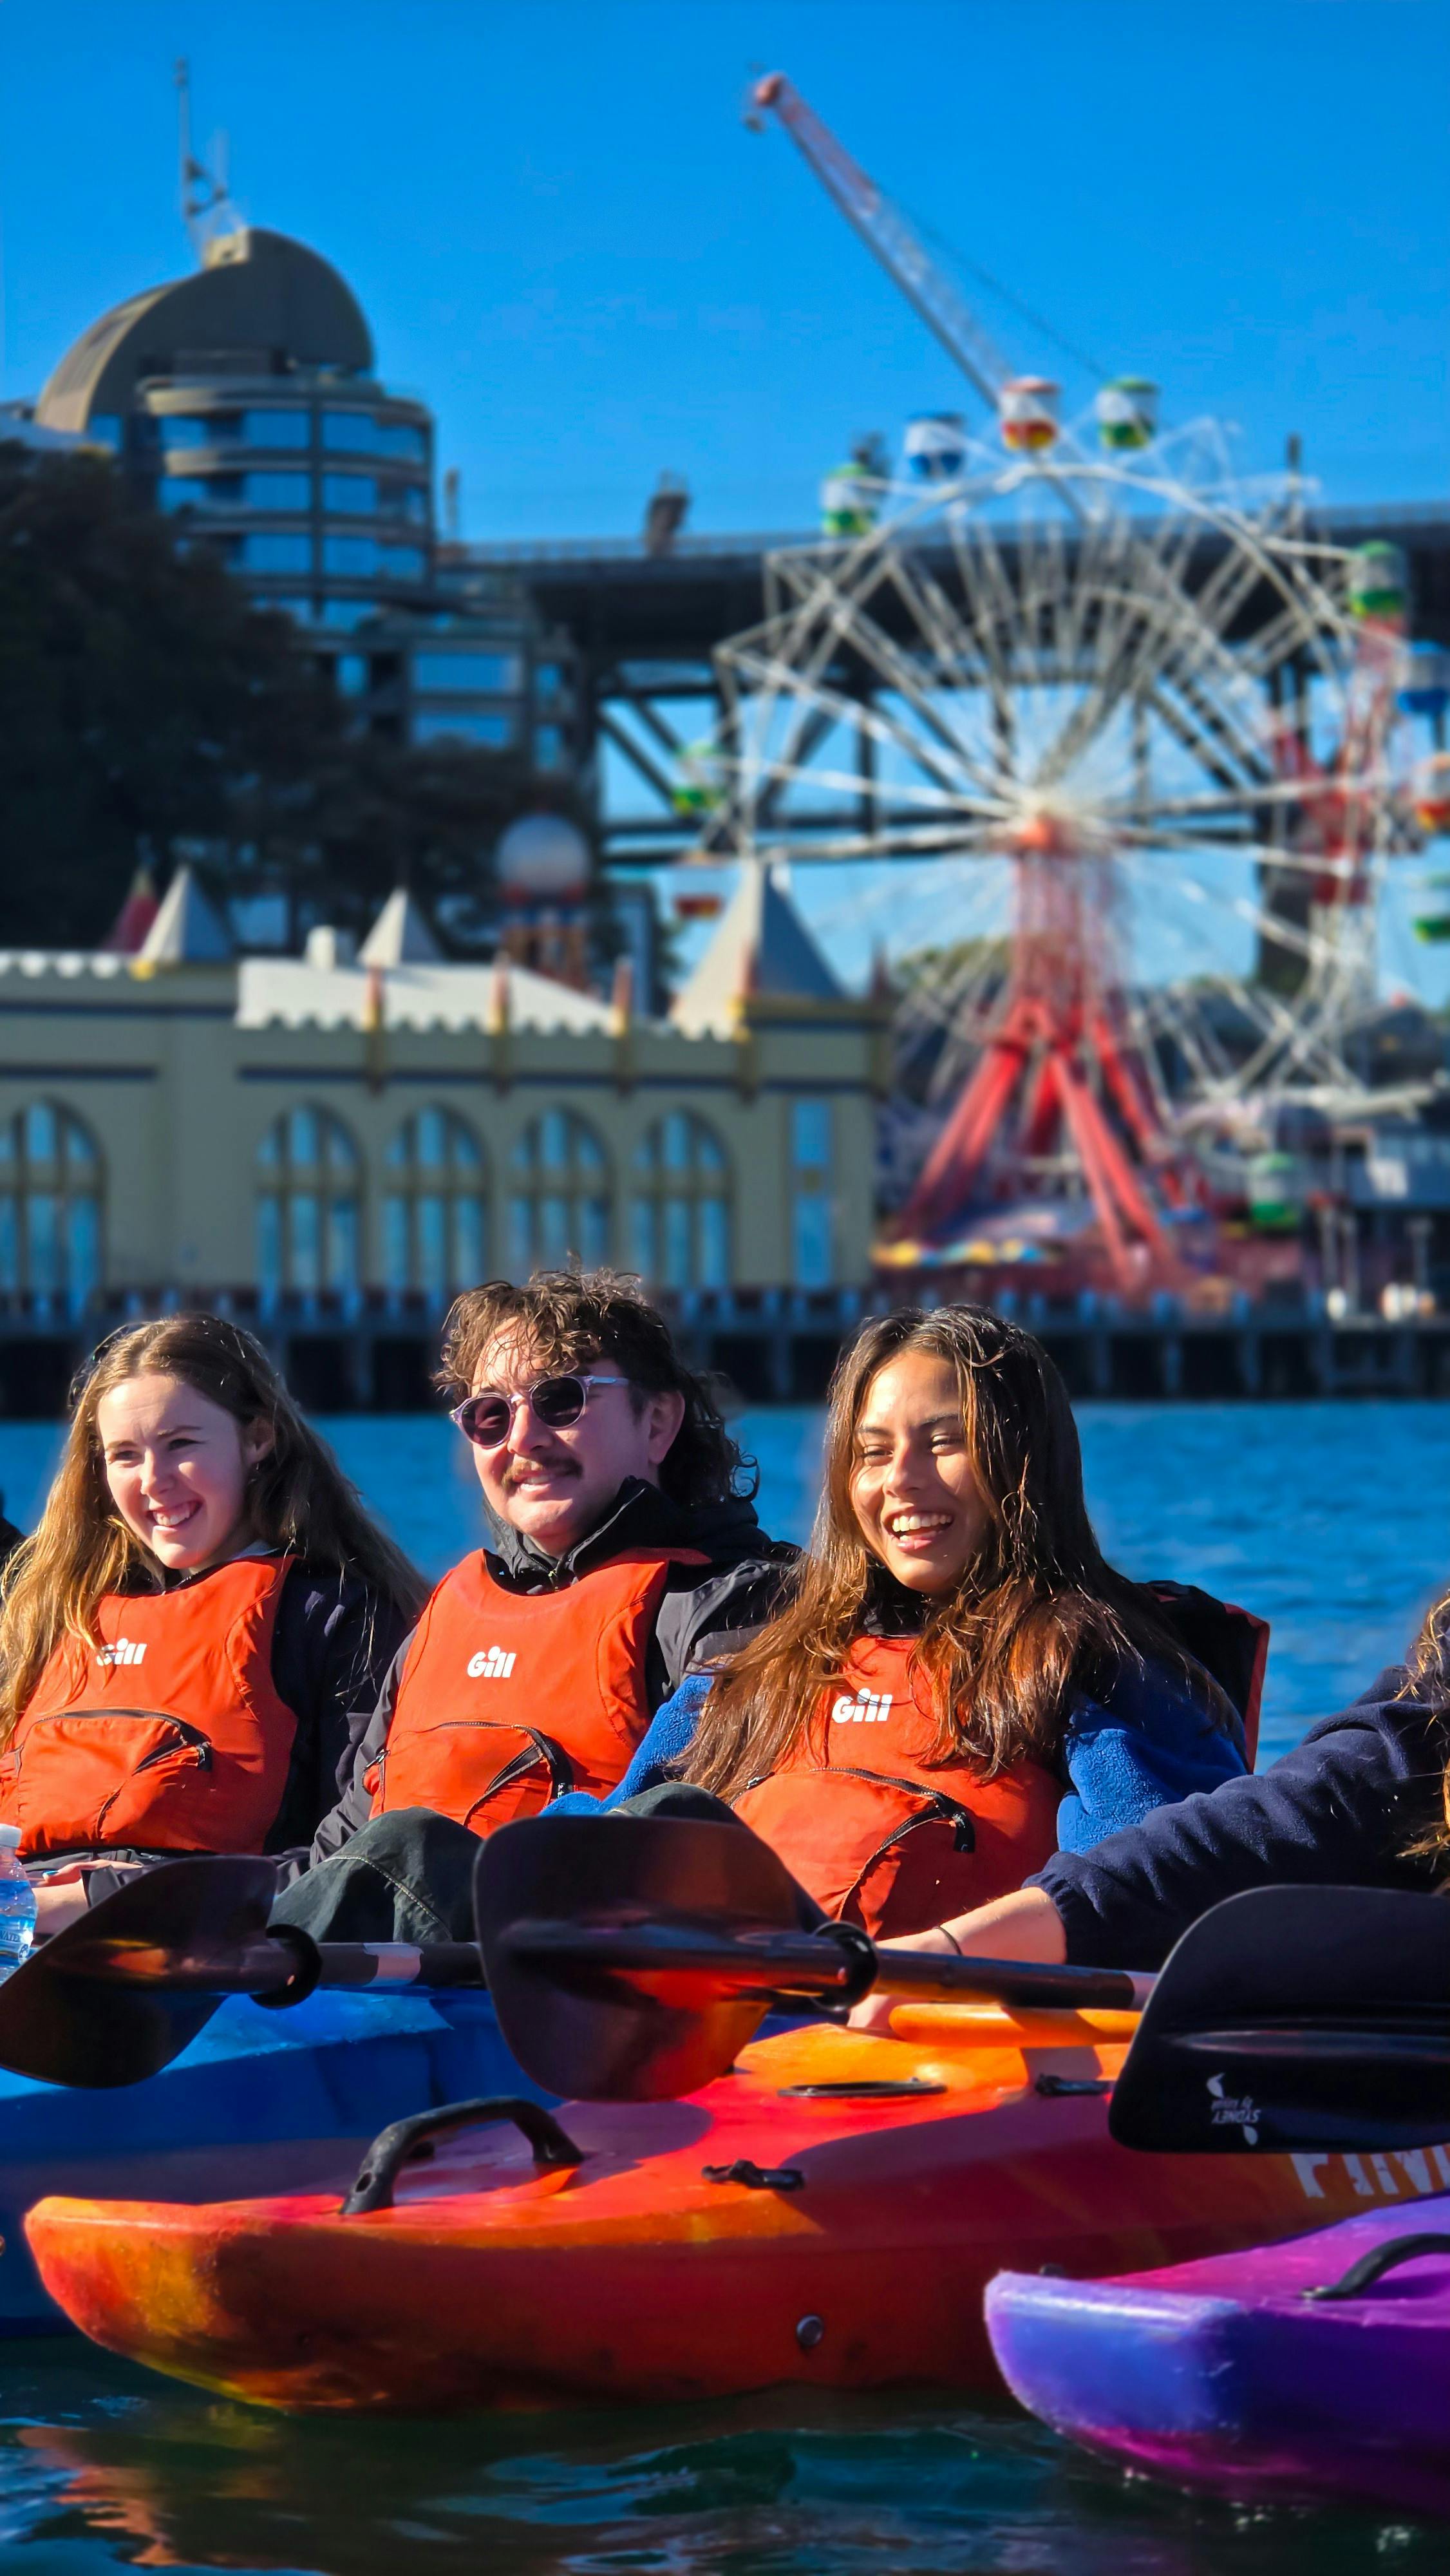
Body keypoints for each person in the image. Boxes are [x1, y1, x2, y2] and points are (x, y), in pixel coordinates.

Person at [594, 1305, 1259, 1941]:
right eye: (873, 1453)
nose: (901, 1480)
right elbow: (599, 1834)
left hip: (957, 2004)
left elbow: (1151, 1883)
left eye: (944, 1443)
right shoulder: (751, 1672)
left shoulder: (1090, 1667)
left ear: (1021, 1460)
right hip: (744, 1994)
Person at [272, 1269, 795, 1942]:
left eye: (560, 1400)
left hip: (558, 1965)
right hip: (383, 1976)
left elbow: (686, 1825)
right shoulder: (442, 1622)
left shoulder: (726, 1606)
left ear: (658, 1422)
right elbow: (338, 1846)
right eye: (490, 1416)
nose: (522, 1438)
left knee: (408, 1845)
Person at [0, 1314, 424, 1938]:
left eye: (181, 1445)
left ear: (257, 1439)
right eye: (124, 1455)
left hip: (199, 1944)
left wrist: (97, 1899)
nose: (154, 1481)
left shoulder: (334, 1616)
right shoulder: (53, 1609)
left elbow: (350, 1859)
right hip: (23, 1938)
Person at [840, 1624, 1450, 2012]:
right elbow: (1308, 1812)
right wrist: (946, 1952)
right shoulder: (806, 1664)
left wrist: (953, 1954)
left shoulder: (1104, 1663)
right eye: (874, 1461)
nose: (903, 1480)